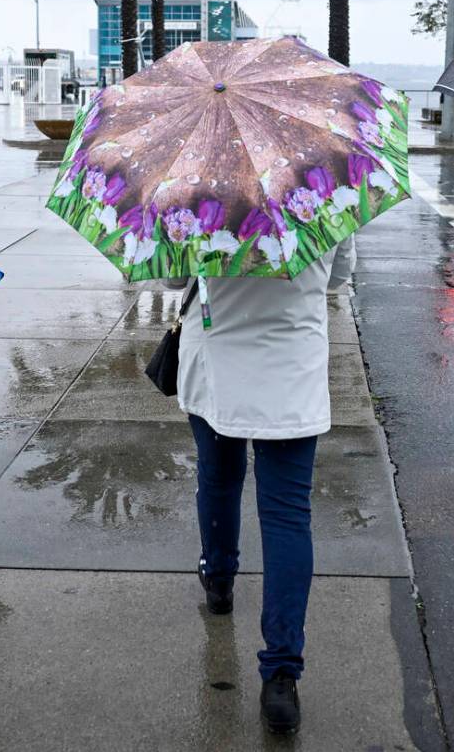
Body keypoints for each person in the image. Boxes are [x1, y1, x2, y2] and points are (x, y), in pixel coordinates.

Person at [177, 236, 356, 736]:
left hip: (215, 357)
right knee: (286, 515)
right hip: (290, 365)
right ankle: (280, 674)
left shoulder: (196, 188)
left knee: (219, 479)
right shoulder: (322, 181)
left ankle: (219, 579)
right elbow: (339, 275)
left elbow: (172, 276)